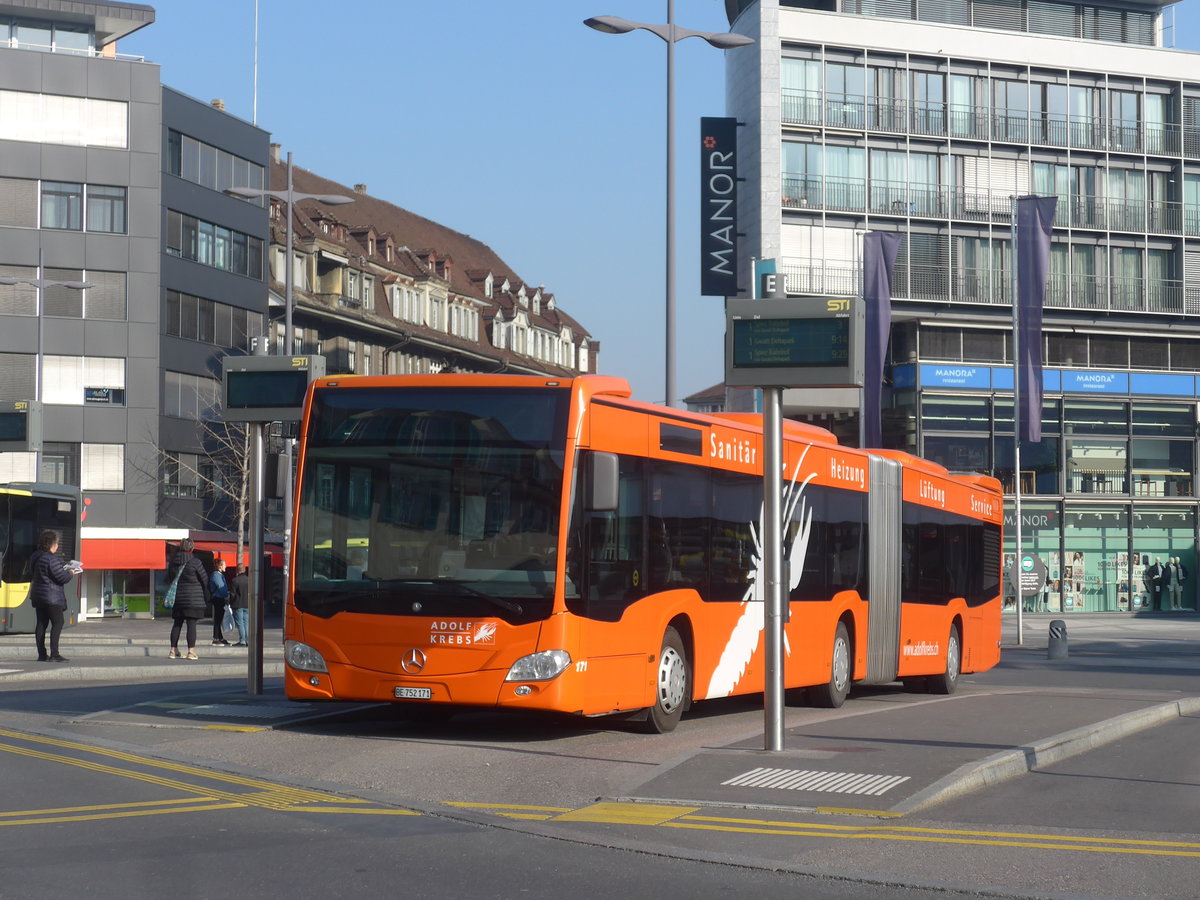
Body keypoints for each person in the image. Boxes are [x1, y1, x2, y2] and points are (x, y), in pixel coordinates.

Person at [29, 529, 80, 663]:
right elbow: (61, 577)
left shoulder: (35, 556)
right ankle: (54, 654)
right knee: (58, 622)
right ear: (52, 544)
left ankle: (41, 654)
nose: (57, 546)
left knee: (41, 624)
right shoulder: (52, 559)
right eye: (57, 543)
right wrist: (70, 573)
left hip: (38, 596)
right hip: (52, 597)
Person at [167, 538, 210, 660]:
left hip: (178, 598)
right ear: (192, 548)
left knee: (177, 623)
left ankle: (173, 650)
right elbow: (205, 579)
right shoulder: (195, 562)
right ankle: (191, 652)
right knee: (191, 624)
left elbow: (170, 578)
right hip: (193, 598)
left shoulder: (173, 562)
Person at [208, 558, 231, 646]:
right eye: (224, 564)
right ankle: (216, 638)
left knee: (220, 618)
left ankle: (220, 637)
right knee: (218, 619)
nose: (226, 566)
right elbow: (221, 586)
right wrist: (226, 595)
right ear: (220, 566)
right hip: (218, 598)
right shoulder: (216, 575)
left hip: (220, 598)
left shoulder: (219, 574)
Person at [229, 564, 250, 647]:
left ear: (237, 570)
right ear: (244, 570)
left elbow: (233, 594)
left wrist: (229, 601)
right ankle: (247, 640)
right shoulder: (249, 580)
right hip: (247, 604)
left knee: (240, 623)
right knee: (246, 623)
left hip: (238, 604)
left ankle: (242, 640)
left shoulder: (235, 580)